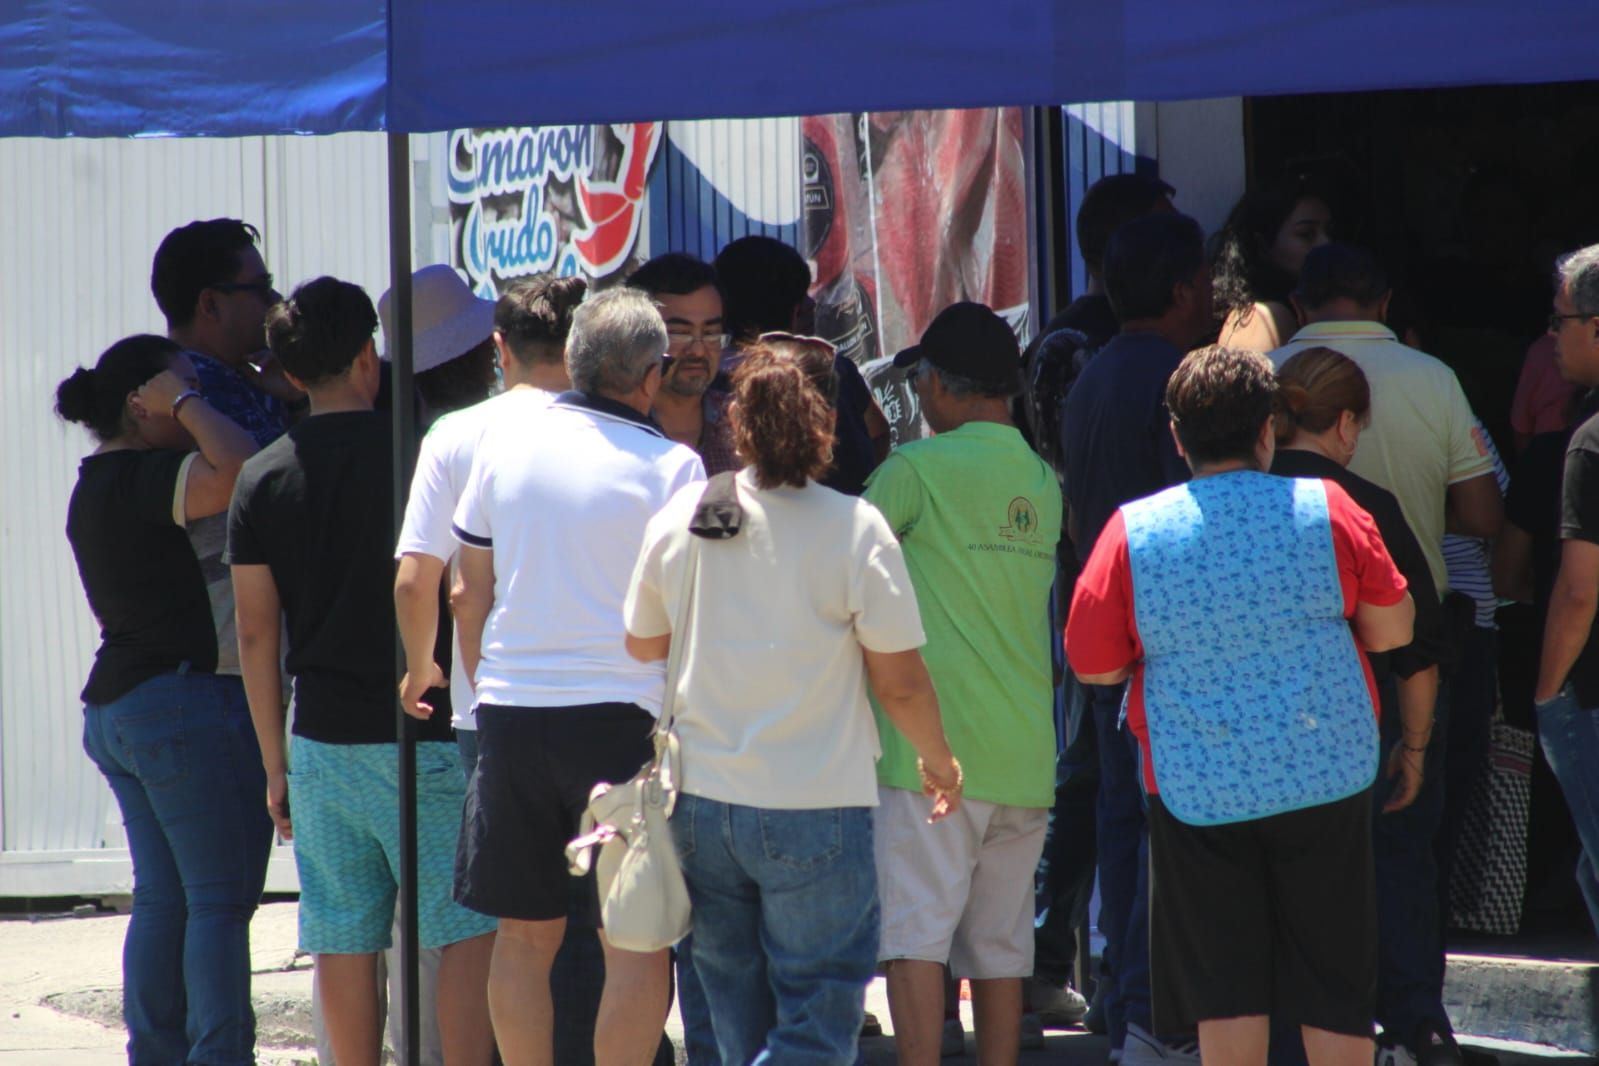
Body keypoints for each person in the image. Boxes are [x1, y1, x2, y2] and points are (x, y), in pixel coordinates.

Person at [1068, 345, 1415, 1066]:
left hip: (1198, 786)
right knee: (1334, 986)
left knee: (1222, 995)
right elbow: (1392, 627)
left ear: (1177, 435)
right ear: (1267, 428)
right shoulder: (1329, 508)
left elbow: (1093, 664)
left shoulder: (1132, 530)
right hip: (1326, 771)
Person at [622, 340, 963, 1066]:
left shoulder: (687, 512)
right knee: (818, 1010)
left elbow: (642, 645)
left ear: (735, 424)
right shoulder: (854, 527)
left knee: (733, 1008)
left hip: (703, 805)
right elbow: (899, 681)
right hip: (817, 804)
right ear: (823, 425)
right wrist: (940, 762)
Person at [227, 278, 497, 1066]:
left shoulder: (261, 475)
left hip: (320, 745)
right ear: (367, 358)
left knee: (342, 939)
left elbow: (253, 631)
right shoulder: (423, 460)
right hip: (431, 733)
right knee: (463, 934)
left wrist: (274, 765)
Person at [450, 287, 704, 1066]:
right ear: (652, 375)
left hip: (512, 715)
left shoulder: (503, 449)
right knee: (635, 942)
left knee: (523, 939)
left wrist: (488, 689)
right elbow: (692, 611)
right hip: (621, 726)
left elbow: (468, 589)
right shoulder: (674, 467)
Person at [1270, 243, 1501, 1066]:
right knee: (1400, 846)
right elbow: (1478, 512)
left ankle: (1302, 1025)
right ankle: (1413, 1018)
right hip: (1406, 652)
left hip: (1281, 671)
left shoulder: (1261, 377)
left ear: (1299, 305)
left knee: (1292, 859)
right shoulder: (1433, 377)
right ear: (1386, 299)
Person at [58, 333, 272, 1065]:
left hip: (124, 709)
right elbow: (243, 467)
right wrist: (184, 401)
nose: (195, 406)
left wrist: (179, 395)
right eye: (183, 393)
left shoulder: (100, 482)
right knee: (217, 899)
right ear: (141, 404)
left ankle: (156, 1052)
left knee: (166, 898)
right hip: (176, 706)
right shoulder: (145, 478)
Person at [864, 302, 1062, 1066]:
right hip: (1023, 754)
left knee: (916, 936)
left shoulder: (910, 471)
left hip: (930, 757)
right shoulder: (1043, 481)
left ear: (939, 386)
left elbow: (841, 573)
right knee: (1003, 946)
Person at [1059, 211, 1213, 1066]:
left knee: (1124, 825)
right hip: (1163, 647)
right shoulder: (1175, 381)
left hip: (1105, 641)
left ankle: (1130, 1010)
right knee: (1166, 831)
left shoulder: (1092, 377)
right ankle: (1161, 1017)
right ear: (1186, 288)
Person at [1272, 347, 1446, 818]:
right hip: (1345, 736)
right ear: (1346, 423)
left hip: (1244, 737)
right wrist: (1413, 749)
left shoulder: (1234, 497)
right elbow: (1416, 651)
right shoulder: (1366, 506)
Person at [1532, 242, 1599, 939]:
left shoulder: (1589, 441)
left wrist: (1545, 692)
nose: (1549, 337)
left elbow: (1578, 591)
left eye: (1559, 321)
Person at [715, 235, 889, 494]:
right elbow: (878, 433)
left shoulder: (706, 376)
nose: (812, 304)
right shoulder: (832, 368)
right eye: (801, 296)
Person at [625, 253, 739, 475]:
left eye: (711, 333)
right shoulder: (616, 426)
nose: (698, 350)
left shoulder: (744, 427)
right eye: (679, 334)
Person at [1212, 181, 1333, 351]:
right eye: (1306, 234)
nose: (1325, 243)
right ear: (1262, 244)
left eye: (1329, 231)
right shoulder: (1265, 318)